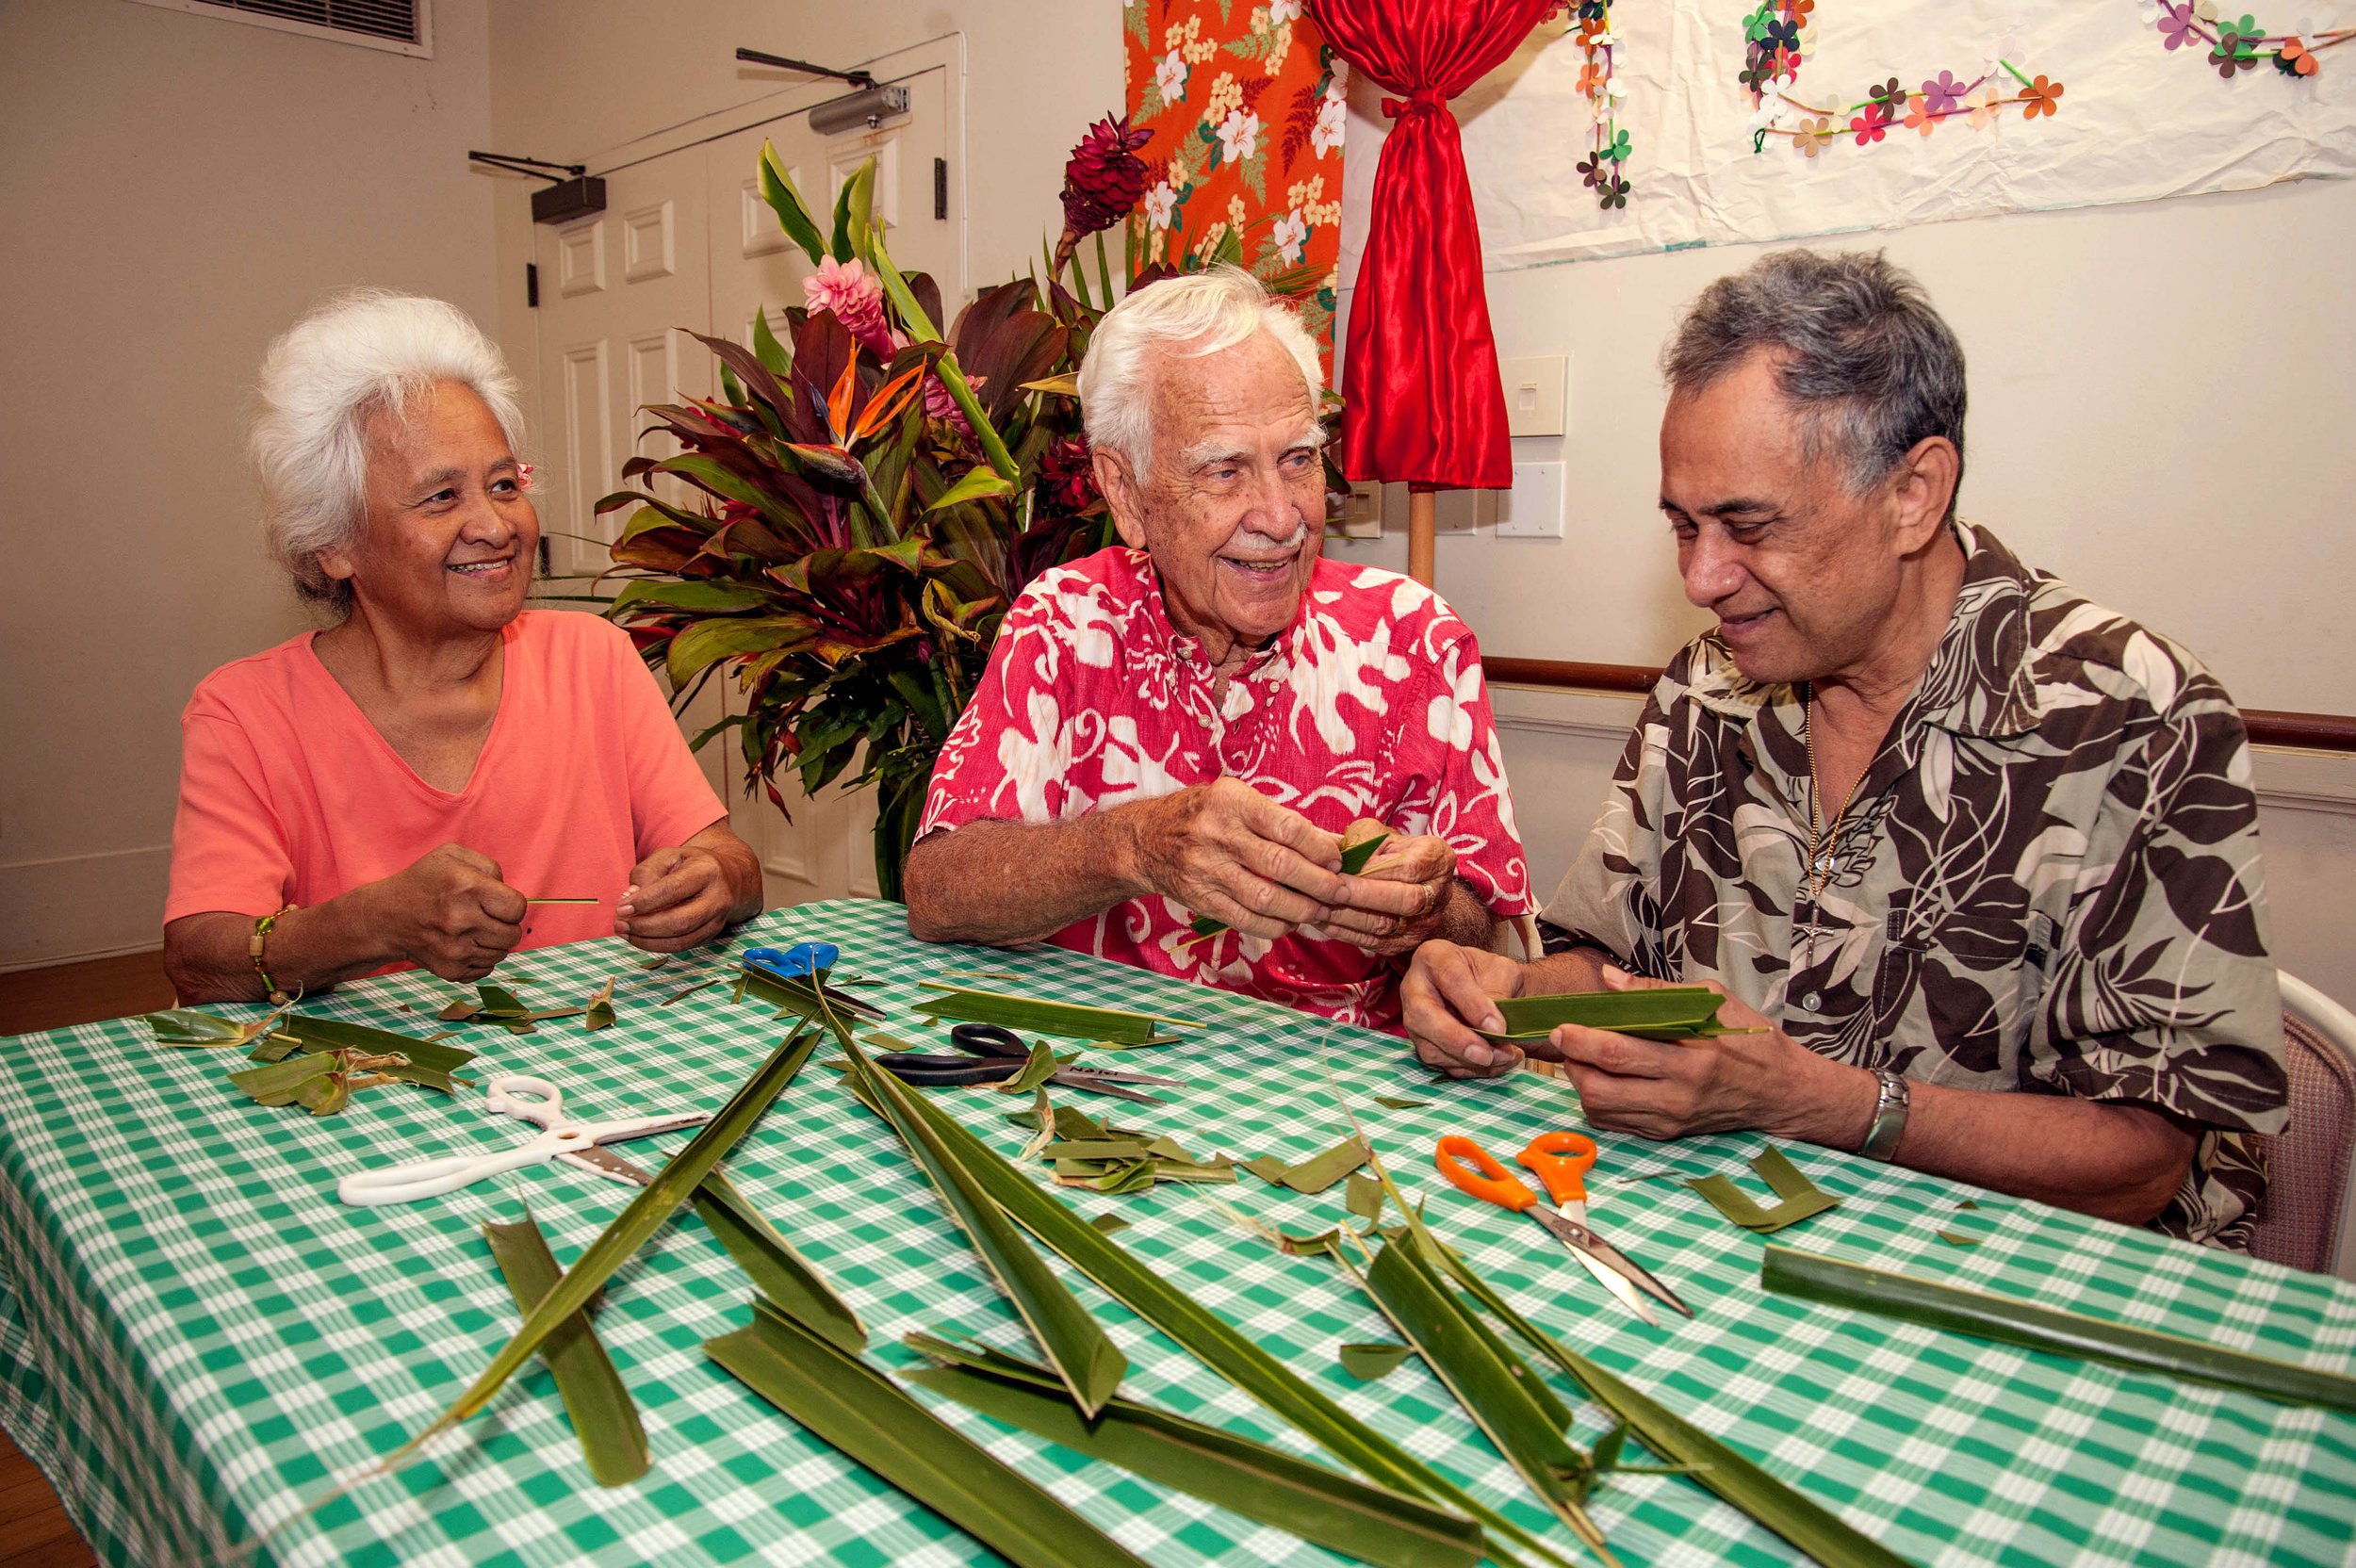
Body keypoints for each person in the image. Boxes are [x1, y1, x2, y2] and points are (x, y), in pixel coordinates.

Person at [1402, 250, 2286, 1248]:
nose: (1701, 576)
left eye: (1747, 525)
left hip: (2027, 1287)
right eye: (1682, 526)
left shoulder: (2125, 717)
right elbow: (1601, 971)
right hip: (1735, 1249)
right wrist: (1498, 988)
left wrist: (1823, 1101)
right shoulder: (1707, 690)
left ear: (1913, 492)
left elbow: (2144, 1160)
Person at [903, 267, 1531, 1029]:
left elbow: (1491, 931)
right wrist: (1132, 845)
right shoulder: (1066, 622)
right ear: (1126, 494)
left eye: (1297, 459)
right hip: (1103, 1078)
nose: (1280, 515)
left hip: (1342, 1092)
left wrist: (1426, 913)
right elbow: (938, 889)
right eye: (1224, 469)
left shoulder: (1415, 639)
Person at [163, 291, 761, 1003]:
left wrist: (714, 882)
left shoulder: (593, 659)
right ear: (332, 545)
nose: (496, 525)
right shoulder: (246, 711)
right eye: (442, 498)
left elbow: (733, 863)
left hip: (596, 1071)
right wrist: (371, 925)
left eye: (504, 485)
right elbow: (199, 962)